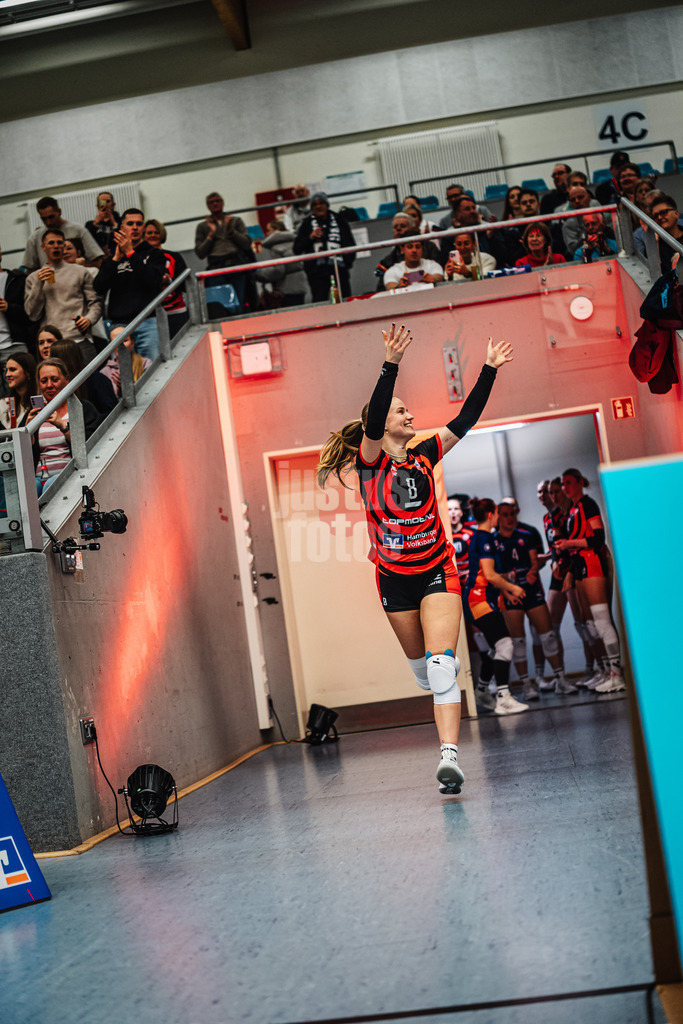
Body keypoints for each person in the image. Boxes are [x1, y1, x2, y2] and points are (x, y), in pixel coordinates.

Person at [316, 325, 515, 794]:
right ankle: (432, 681)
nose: (410, 415)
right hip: (393, 579)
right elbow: (372, 423)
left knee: (443, 667)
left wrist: (488, 369)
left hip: (437, 569)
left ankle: (449, 759)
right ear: (383, 422)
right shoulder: (369, 462)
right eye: (401, 410)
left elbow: (465, 420)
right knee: (425, 675)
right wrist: (391, 363)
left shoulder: (425, 454)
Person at [495, 501, 576, 700]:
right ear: (498, 516)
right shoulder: (493, 541)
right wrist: (508, 585)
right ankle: (526, 686)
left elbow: (534, 562)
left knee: (548, 636)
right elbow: (492, 573)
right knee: (518, 642)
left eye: (512, 513)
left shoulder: (526, 535)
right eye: (505, 514)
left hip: (532, 591)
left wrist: (532, 571)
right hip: (510, 595)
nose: (509, 518)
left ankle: (561, 680)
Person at [554, 468, 624, 692]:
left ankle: (617, 674)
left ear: (579, 482)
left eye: (568, 482)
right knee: (590, 624)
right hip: (580, 564)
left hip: (593, 561)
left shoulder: (587, 503)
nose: (565, 487)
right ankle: (606, 671)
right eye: (563, 483)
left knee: (601, 619)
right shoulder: (573, 509)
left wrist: (569, 544)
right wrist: (570, 571)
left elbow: (598, 537)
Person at [463, 498, 529, 715]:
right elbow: (490, 575)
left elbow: (486, 575)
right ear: (491, 514)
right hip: (478, 600)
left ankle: (483, 690)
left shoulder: (481, 536)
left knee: (496, 648)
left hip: (483, 599)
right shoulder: (484, 538)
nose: (500, 517)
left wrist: (506, 592)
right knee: (505, 645)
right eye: (499, 513)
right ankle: (503, 698)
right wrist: (513, 587)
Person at [94, 208, 166, 361]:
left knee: (153, 369)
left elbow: (153, 282)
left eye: (139, 224)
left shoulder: (155, 254)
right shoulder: (112, 259)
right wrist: (115, 260)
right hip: (119, 325)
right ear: (122, 228)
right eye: (130, 224)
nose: (135, 227)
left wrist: (131, 254)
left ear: (143, 228)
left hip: (147, 321)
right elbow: (99, 287)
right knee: (122, 371)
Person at [24, 228, 103, 363]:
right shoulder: (33, 278)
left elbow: (96, 302)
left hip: (79, 338)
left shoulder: (81, 272)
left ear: (64, 245)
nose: (56, 246)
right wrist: (38, 283)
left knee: (90, 376)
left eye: (60, 243)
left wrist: (89, 319)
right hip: (52, 343)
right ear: (43, 247)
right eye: (51, 243)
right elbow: (32, 314)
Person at [26, 357, 99, 496]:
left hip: (71, 475)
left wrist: (62, 426)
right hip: (39, 477)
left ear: (66, 380)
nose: (49, 385)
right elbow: (22, 455)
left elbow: (91, 445)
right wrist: (27, 432)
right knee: (29, 487)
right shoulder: (33, 415)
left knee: (50, 485)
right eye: (44, 381)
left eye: (54, 379)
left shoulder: (83, 408)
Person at [194, 192, 254, 310]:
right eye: (211, 202)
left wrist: (232, 232)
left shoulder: (235, 221)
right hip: (216, 268)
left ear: (223, 203)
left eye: (217, 201)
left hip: (236, 266)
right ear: (207, 206)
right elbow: (200, 253)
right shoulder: (203, 226)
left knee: (240, 302)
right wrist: (210, 236)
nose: (215, 204)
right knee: (220, 305)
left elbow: (247, 244)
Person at [293, 192, 356, 302]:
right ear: (312, 208)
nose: (318, 206)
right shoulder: (306, 224)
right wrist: (310, 237)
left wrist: (346, 263)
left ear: (327, 205)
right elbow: (296, 249)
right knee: (320, 303)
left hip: (338, 270)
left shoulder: (339, 221)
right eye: (315, 204)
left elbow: (350, 244)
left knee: (342, 301)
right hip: (317, 273)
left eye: (321, 203)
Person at [21, 196, 103, 272]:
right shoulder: (35, 238)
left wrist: (79, 266)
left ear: (59, 212)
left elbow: (98, 262)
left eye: (51, 217)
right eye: (44, 219)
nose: (48, 222)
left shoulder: (78, 231)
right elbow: (30, 270)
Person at [143, 219, 189, 335]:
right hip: (150, 315)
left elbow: (186, 284)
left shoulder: (174, 257)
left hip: (176, 312)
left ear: (162, 234)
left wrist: (170, 281)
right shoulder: (139, 259)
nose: (153, 235)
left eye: (156, 232)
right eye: (149, 233)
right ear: (143, 235)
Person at [374, 212, 442, 288]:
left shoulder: (430, 251)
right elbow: (386, 286)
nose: (414, 250)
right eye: (395, 227)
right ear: (402, 248)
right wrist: (398, 287)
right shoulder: (388, 262)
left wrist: (433, 279)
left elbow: (439, 276)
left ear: (412, 228)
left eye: (403, 226)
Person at [0, 243, 34, 390]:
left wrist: (9, 308)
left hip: (15, 345)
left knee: (23, 391)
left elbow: (31, 315)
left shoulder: (17, 279)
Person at [254, 219, 309, 307]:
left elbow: (278, 271)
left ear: (276, 230)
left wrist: (259, 275)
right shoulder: (295, 242)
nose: (266, 234)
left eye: (268, 230)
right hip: (300, 285)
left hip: (286, 288)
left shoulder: (275, 248)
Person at [99, 325, 152, 399]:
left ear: (132, 343)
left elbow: (150, 391)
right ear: (110, 346)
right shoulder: (104, 373)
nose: (120, 345)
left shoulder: (145, 363)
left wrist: (128, 385)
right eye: (115, 342)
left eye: (124, 340)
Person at [0, 351, 36, 429]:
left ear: (27, 372)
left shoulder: (39, 402)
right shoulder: (3, 404)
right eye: (6, 370)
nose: (7, 374)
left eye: (12, 370)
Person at [650, 195, 683, 274]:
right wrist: (655, 243)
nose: (659, 217)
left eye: (663, 212)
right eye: (655, 216)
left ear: (676, 213)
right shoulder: (656, 244)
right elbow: (655, 272)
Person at [85, 191, 122, 259]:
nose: (105, 205)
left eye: (108, 201)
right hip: (99, 258)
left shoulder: (121, 221)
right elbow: (87, 242)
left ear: (113, 205)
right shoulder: (90, 224)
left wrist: (114, 222)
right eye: (101, 202)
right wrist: (95, 224)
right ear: (97, 206)